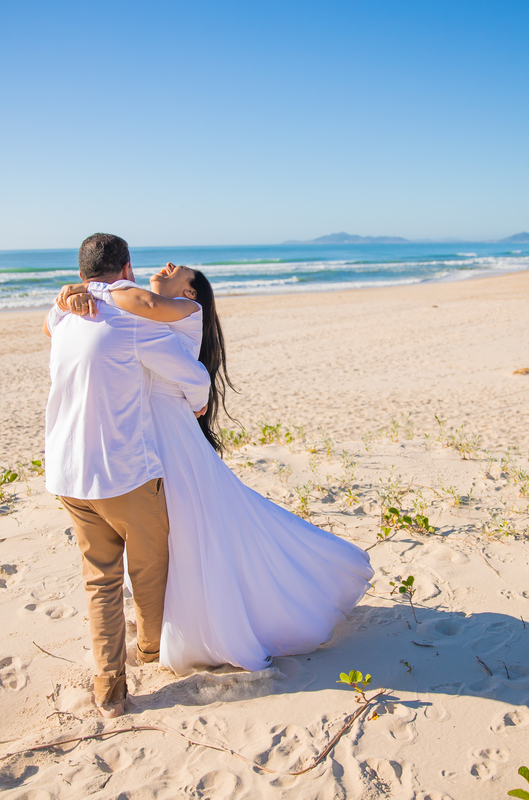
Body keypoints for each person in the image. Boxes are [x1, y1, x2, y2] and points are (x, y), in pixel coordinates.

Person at [57, 263, 373, 677]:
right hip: (145, 434)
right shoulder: (147, 312)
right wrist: (74, 291)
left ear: (189, 294)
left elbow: (190, 370)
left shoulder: (181, 312)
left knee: (186, 530)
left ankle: (190, 625)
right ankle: (165, 623)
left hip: (164, 433)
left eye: (180, 271)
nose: (168, 266)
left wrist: (192, 399)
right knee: (171, 533)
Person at [43, 234, 211, 718]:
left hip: (67, 473)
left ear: (81, 276)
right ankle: (151, 650)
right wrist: (198, 402)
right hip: (122, 473)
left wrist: (64, 296)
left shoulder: (64, 314)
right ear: (128, 268)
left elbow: (49, 325)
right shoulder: (131, 321)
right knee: (149, 567)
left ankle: (109, 689)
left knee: (100, 578)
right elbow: (190, 372)